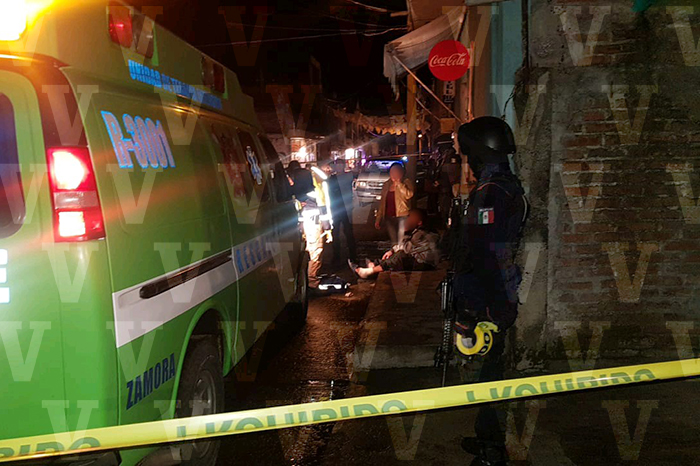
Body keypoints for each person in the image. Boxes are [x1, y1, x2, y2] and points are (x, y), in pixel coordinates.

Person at [451, 116, 528, 466]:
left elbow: (487, 254)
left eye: (468, 154)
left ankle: (492, 449)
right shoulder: (501, 186)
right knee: (487, 370)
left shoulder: (491, 193)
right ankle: (487, 436)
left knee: (489, 373)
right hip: (491, 294)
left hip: (487, 299)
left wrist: (488, 307)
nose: (467, 161)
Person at [352, 208, 438, 278]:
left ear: (419, 222)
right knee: (396, 255)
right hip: (421, 260)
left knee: (400, 256)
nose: (407, 220)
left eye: (411, 218)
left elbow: (406, 249)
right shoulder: (418, 232)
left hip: (426, 264)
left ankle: (371, 270)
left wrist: (405, 233)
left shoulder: (421, 235)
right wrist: (391, 251)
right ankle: (374, 265)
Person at [287, 160, 333, 289]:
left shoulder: (294, 190)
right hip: (313, 221)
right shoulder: (314, 187)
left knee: (304, 250)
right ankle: (311, 282)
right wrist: (327, 226)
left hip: (302, 222)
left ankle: (303, 279)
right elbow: (322, 206)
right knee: (315, 251)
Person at [323, 158, 357, 266]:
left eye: (340, 164)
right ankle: (338, 257)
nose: (338, 167)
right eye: (337, 165)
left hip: (345, 209)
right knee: (336, 233)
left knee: (348, 233)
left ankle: (352, 256)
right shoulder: (331, 179)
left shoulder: (348, 176)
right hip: (336, 209)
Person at [375, 162, 415, 246]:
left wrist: (399, 184)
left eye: (397, 171)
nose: (394, 174)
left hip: (402, 216)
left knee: (402, 240)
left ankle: (402, 252)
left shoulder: (406, 182)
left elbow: (409, 195)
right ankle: (395, 253)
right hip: (389, 217)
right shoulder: (386, 184)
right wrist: (378, 218)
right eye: (392, 172)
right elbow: (382, 203)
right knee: (394, 240)